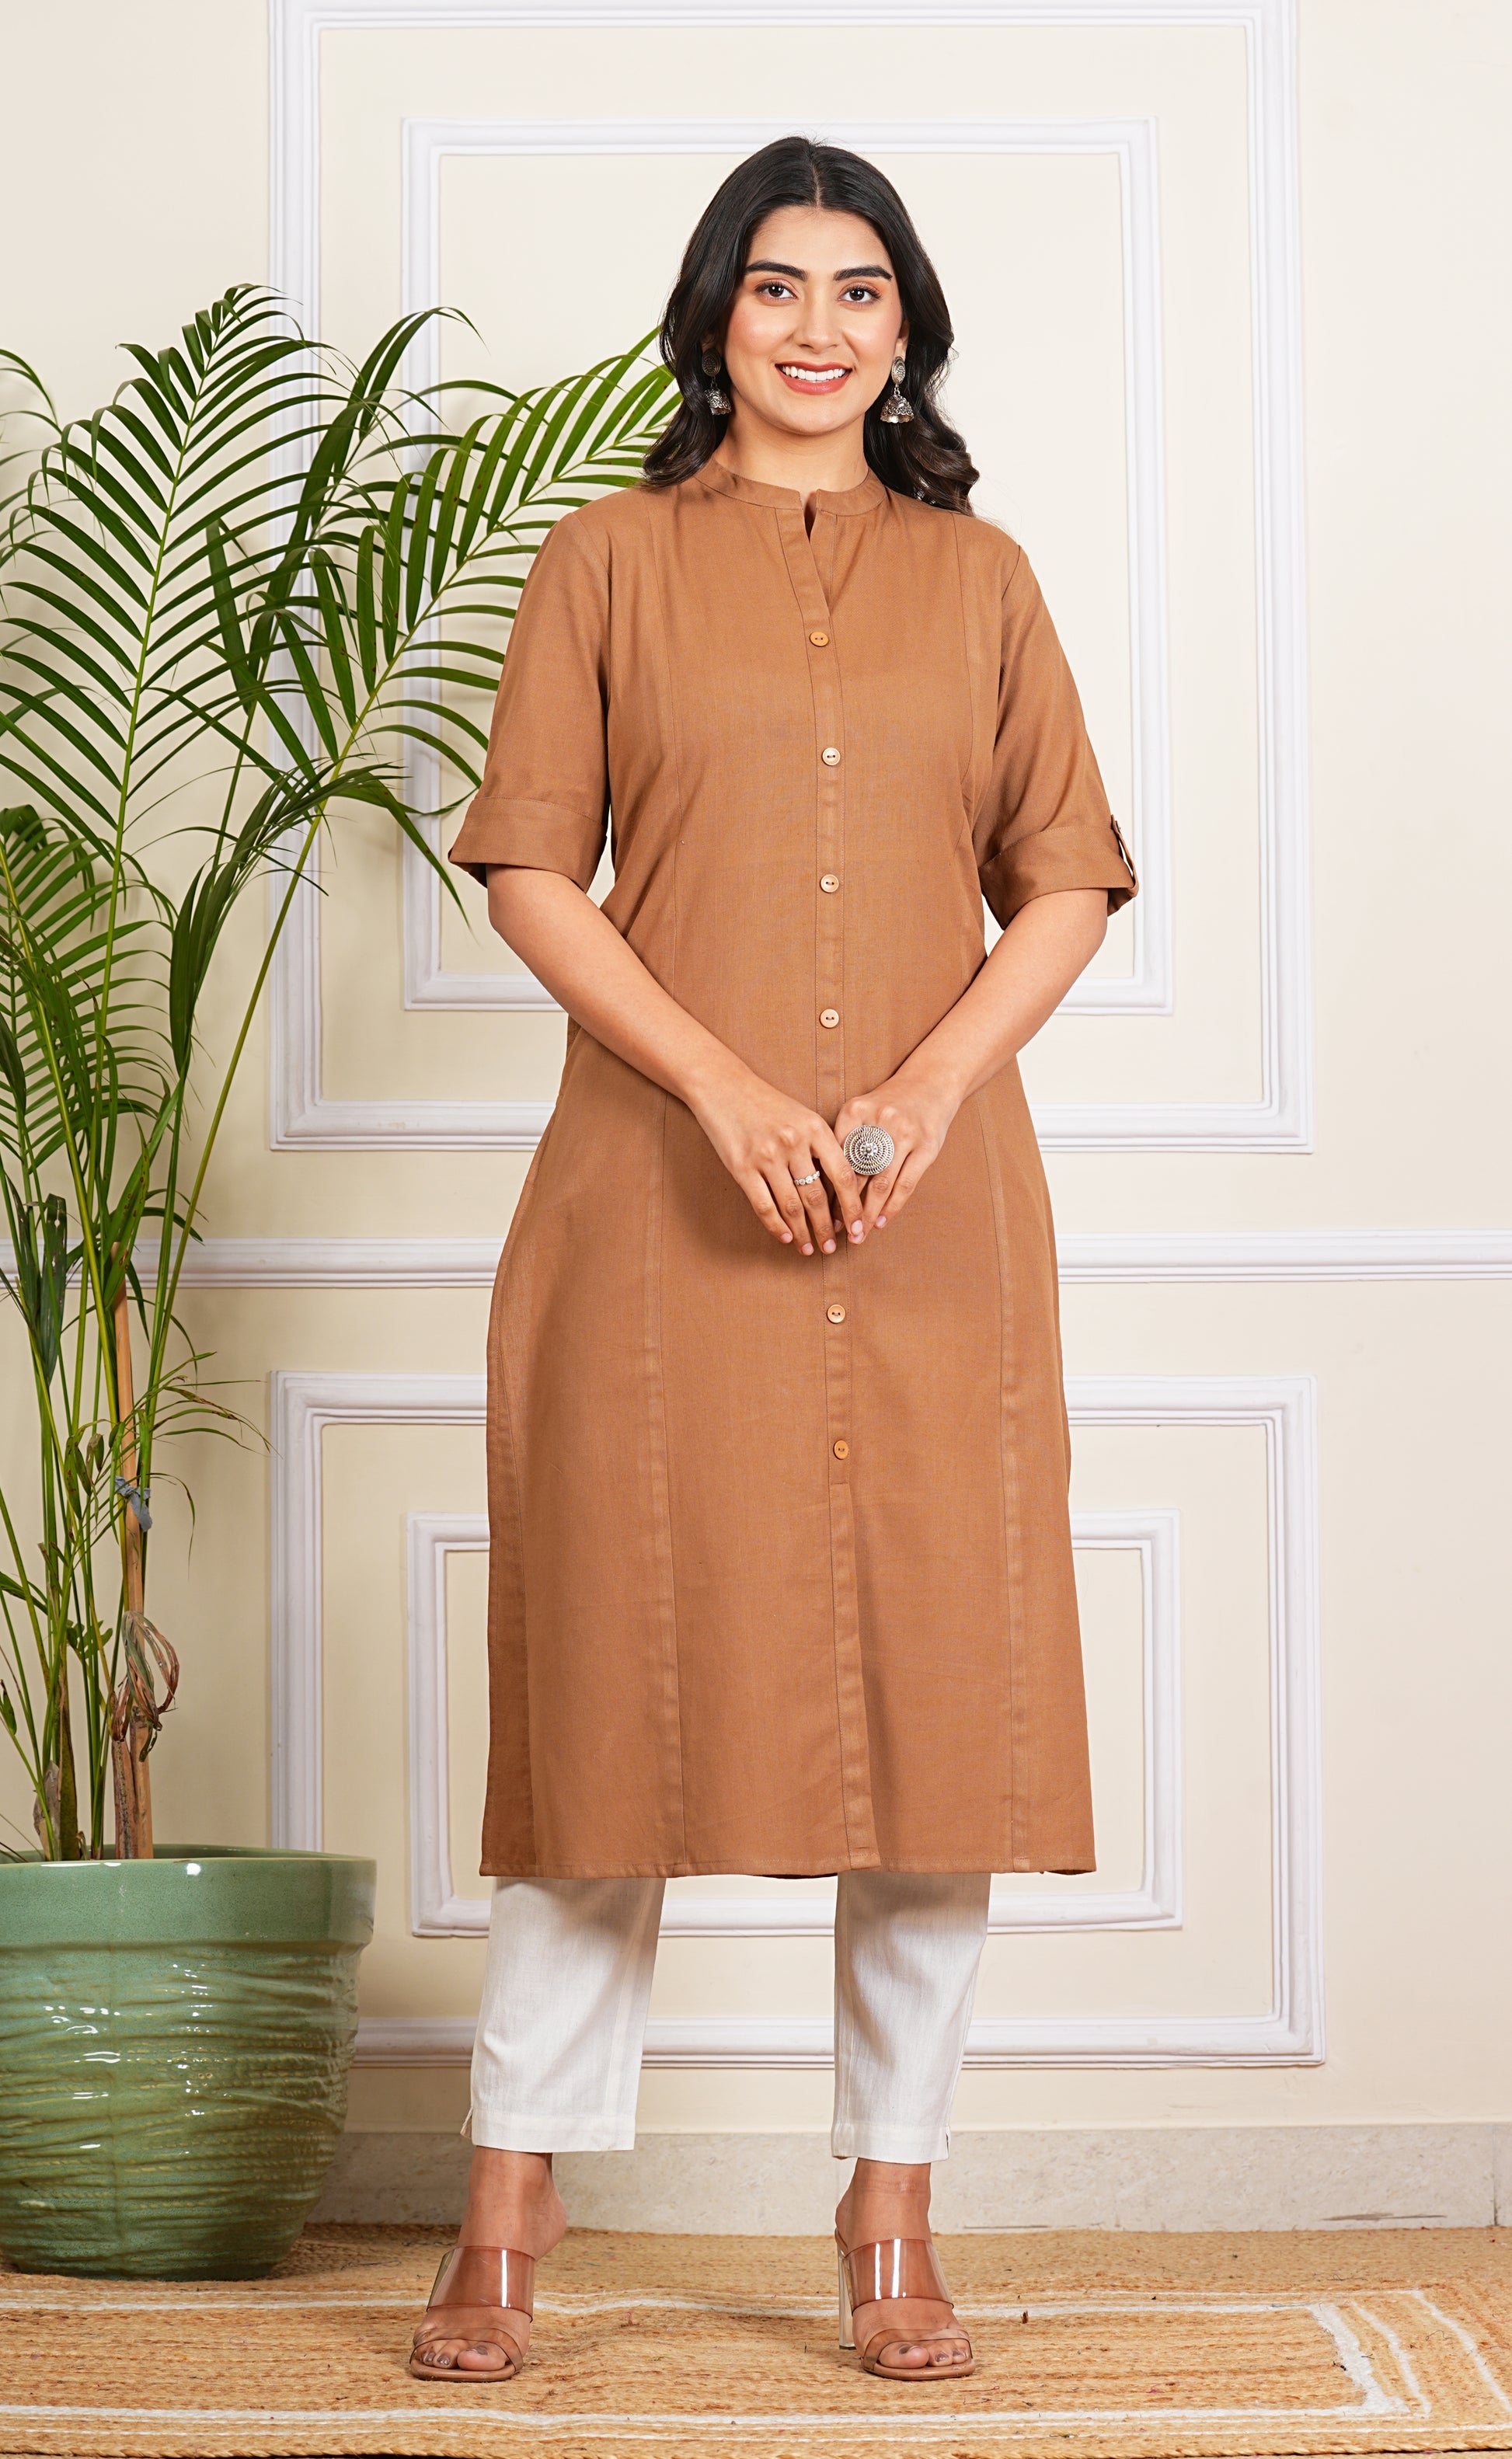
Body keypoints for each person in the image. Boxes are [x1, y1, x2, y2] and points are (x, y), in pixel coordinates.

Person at [409, 132, 1137, 2388]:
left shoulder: (984, 580)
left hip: (931, 1220)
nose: (818, 328)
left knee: (937, 1716)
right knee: (609, 1700)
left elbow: (1067, 878)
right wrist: (724, 1094)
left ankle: (889, 2209)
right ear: (712, 318)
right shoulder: (605, 561)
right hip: (657, 1204)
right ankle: (508, 2207)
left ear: (904, 330)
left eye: (859, 290)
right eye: (775, 286)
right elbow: (532, 870)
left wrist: (920, 1092)